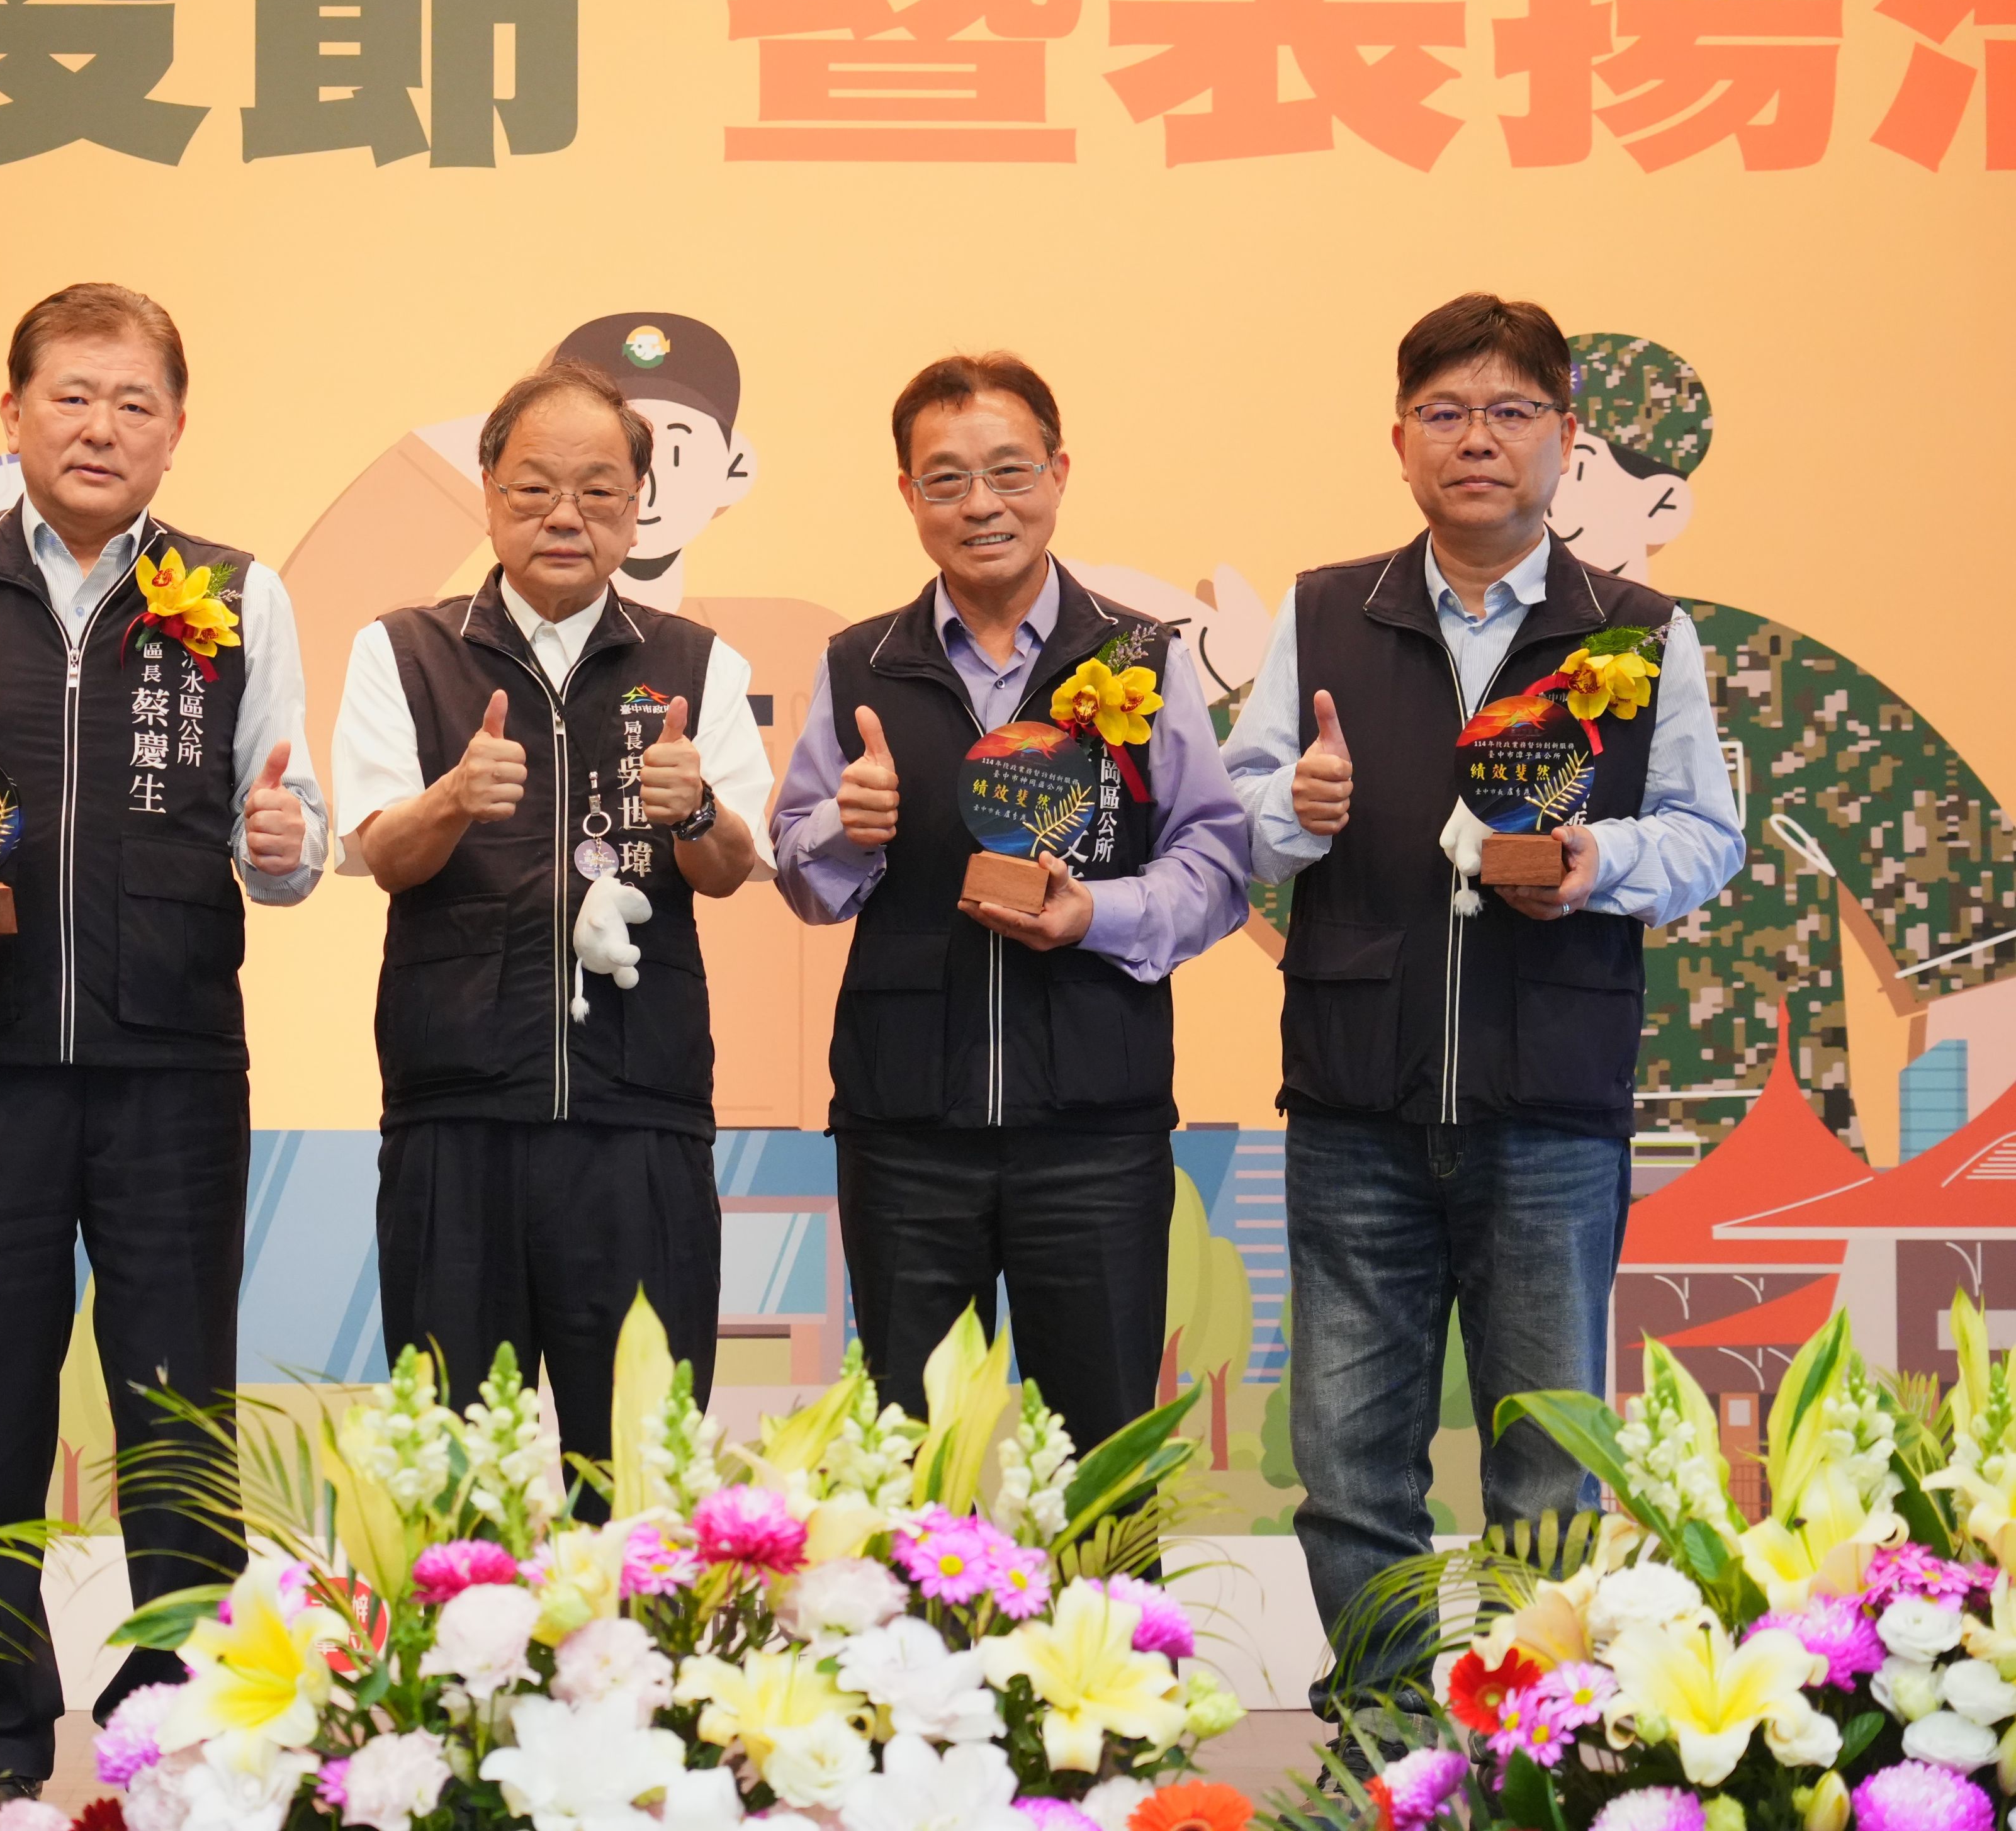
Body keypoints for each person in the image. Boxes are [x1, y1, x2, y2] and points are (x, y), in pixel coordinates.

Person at [0, 283, 327, 1806]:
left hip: (174, 1076)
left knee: (177, 1422)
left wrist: (287, 842)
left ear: (176, 428)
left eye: (134, 401)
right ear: (12, 410)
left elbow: (289, 833)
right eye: (73, 395)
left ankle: (185, 1735)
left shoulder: (240, 594)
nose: (102, 426)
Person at [1219, 293, 1743, 1741]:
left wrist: (1595, 858)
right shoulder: (1327, 611)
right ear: (1399, 439)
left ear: (1565, 439)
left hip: (1549, 1106)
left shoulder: (1638, 630)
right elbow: (1236, 816)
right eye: (1445, 412)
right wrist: (1295, 806)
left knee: (1547, 1465)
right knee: (1350, 1460)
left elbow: (1705, 835)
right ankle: (1389, 1737)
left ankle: (1527, 1743)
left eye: (1511, 411)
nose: (1477, 439)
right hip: (1356, 1103)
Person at [768, 352, 1251, 1451]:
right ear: (909, 495)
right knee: (910, 1457)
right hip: (905, 1132)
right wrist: (848, 824)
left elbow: (1218, 861)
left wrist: (1097, 914)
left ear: (1059, 473)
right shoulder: (860, 665)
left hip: (1095, 1131)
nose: (981, 503)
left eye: (1008, 470)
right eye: (946, 479)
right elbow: (802, 875)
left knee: (1102, 1457)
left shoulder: (1139, 656)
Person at [330, 357, 773, 1480]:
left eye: (598, 491)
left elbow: (733, 868)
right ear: (488, 491)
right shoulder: (403, 651)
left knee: (638, 1474)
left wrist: (695, 807)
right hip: (456, 1116)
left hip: (640, 1116)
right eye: (534, 489)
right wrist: (450, 798)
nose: (565, 516)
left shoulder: (699, 664)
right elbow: (381, 852)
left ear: (637, 506)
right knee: (451, 1475)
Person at [1553, 332, 2016, 1152]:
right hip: (1513, 1128)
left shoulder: (1780, 677)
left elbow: (1977, 933)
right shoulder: (1462, 663)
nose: (1544, 487)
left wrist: (1940, 1172)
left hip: (1754, 1147)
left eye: (1575, 461)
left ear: (1663, 506)